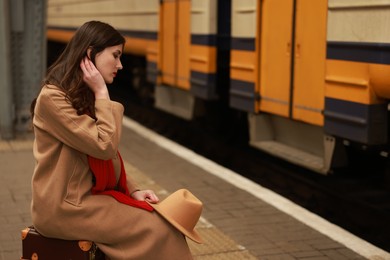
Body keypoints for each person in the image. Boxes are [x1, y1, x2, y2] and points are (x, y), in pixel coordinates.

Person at [30, 21, 193, 259]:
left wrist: (133, 190)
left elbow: (107, 155)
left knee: (165, 223)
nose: (120, 64)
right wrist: (102, 94)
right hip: (63, 208)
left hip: (84, 201)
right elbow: (103, 146)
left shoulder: (78, 94)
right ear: (90, 54)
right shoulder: (53, 98)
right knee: (159, 230)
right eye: (115, 56)